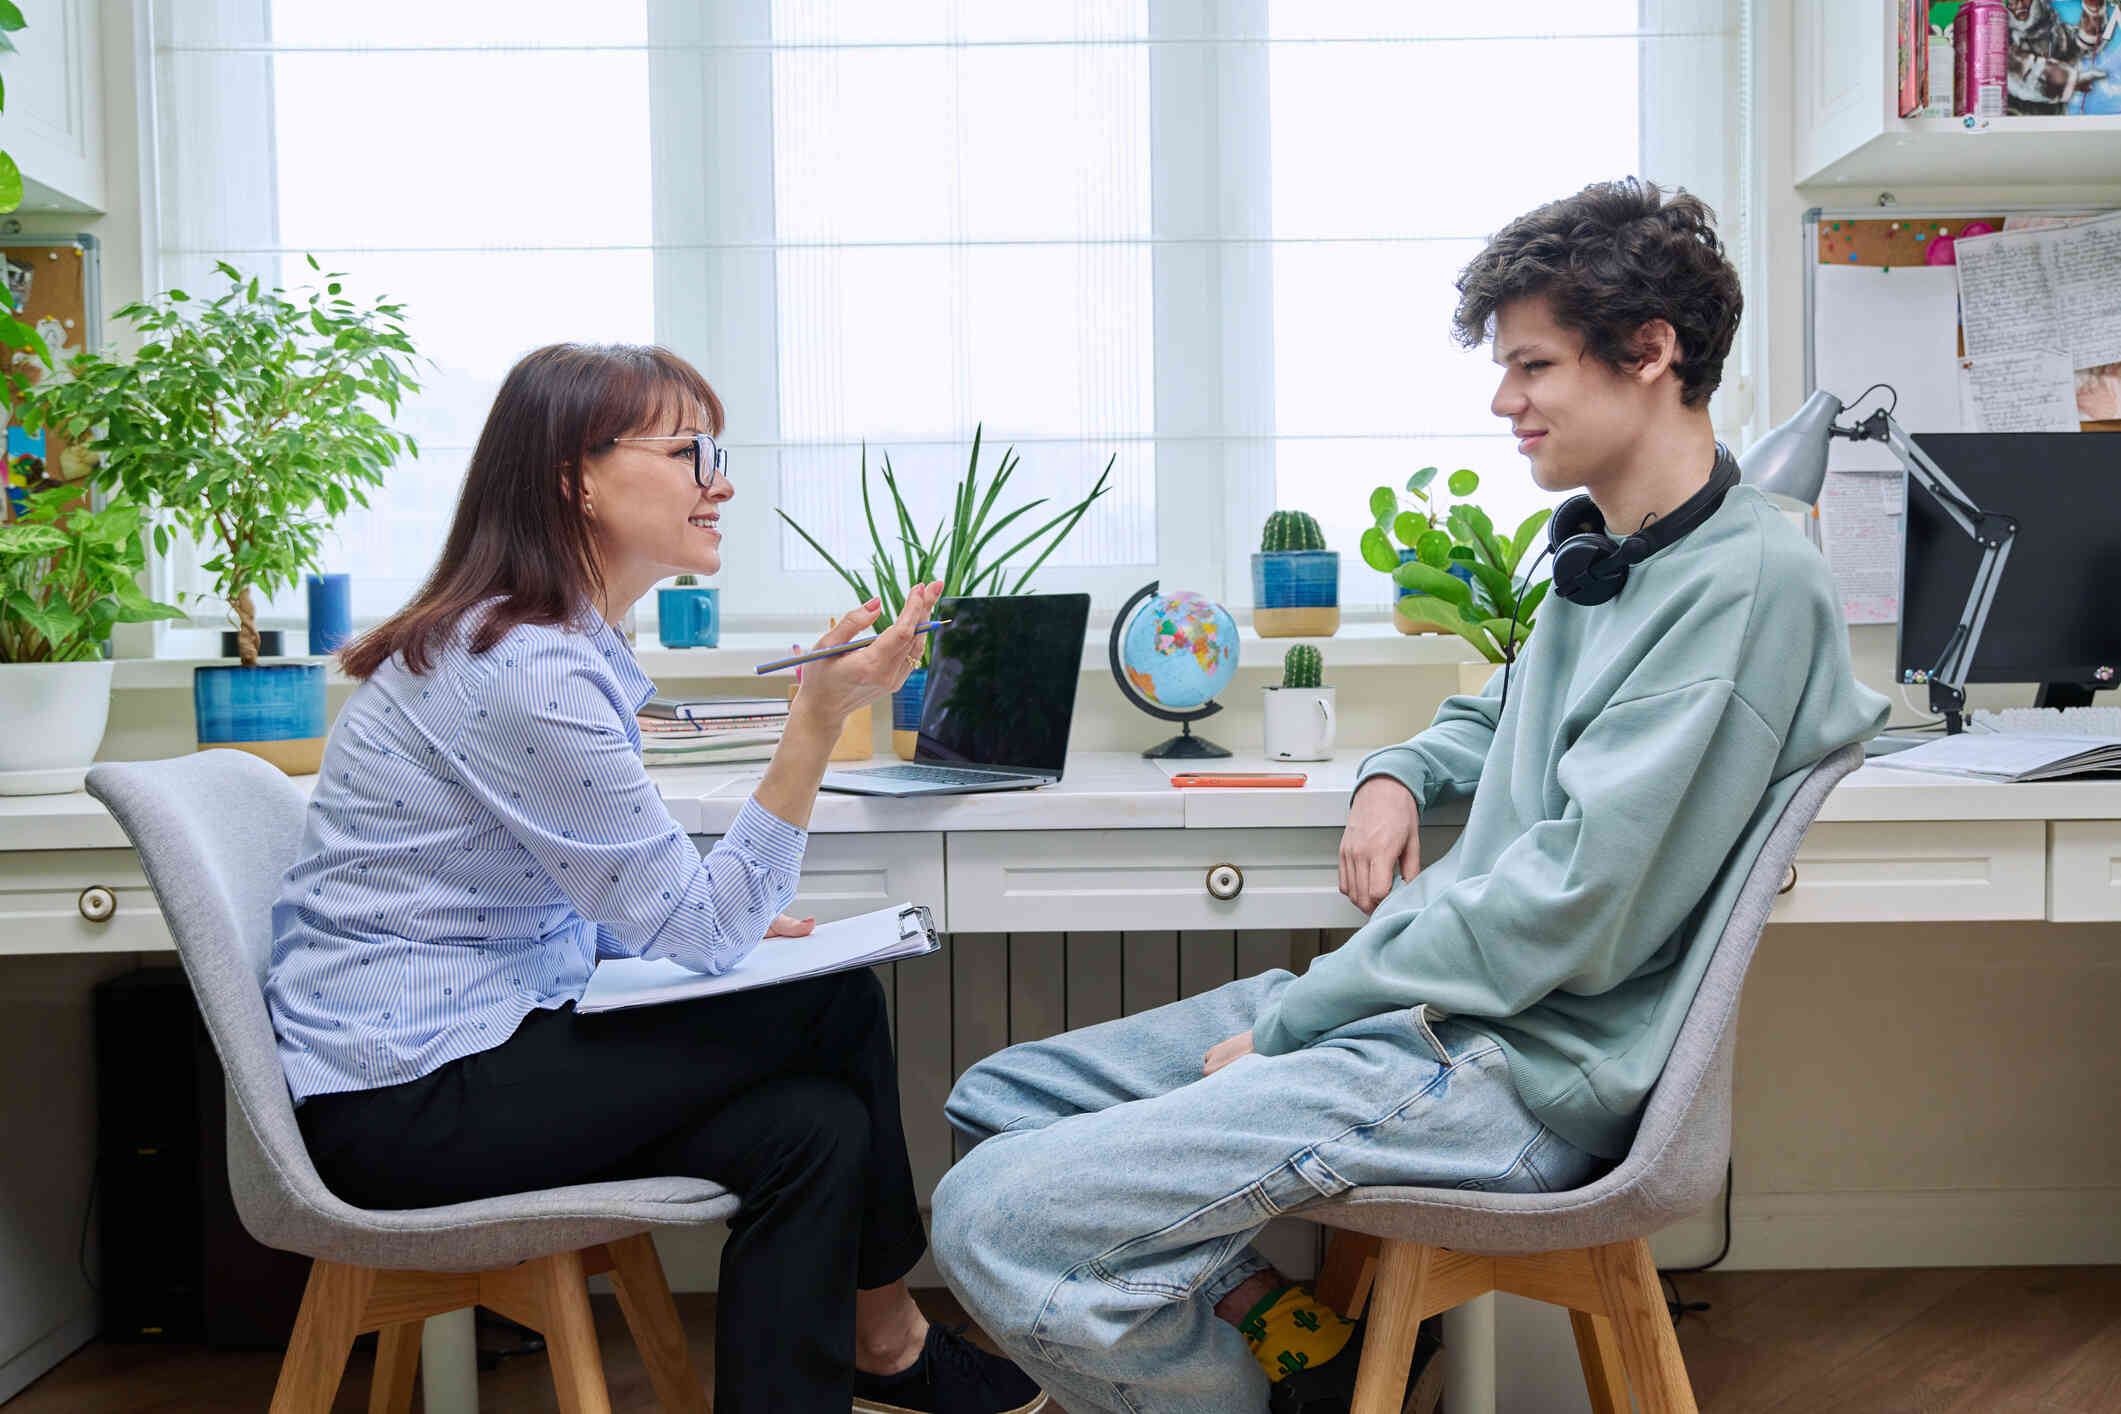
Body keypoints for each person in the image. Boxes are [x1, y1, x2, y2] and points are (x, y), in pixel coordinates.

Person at [930, 178, 1891, 1414]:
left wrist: (1295, 1023)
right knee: (995, 1102)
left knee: (993, 1217)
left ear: (1649, 351)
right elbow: (1504, 709)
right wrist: (1396, 770)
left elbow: (1571, 903)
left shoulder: (1741, 585)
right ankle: (1298, 1355)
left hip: (1516, 1063)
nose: (1505, 400)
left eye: (1534, 366)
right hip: (1444, 1018)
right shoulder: (1618, 551)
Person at [265, 343, 1047, 1414]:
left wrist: (705, 928)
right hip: (405, 1097)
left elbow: (566, 901)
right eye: (690, 451)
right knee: (835, 1001)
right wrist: (816, 720)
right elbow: (704, 927)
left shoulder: (544, 642)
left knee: (814, 1128)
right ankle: (894, 1342)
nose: (719, 480)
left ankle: (876, 1352)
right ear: (573, 478)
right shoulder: (526, 667)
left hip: (467, 1045)